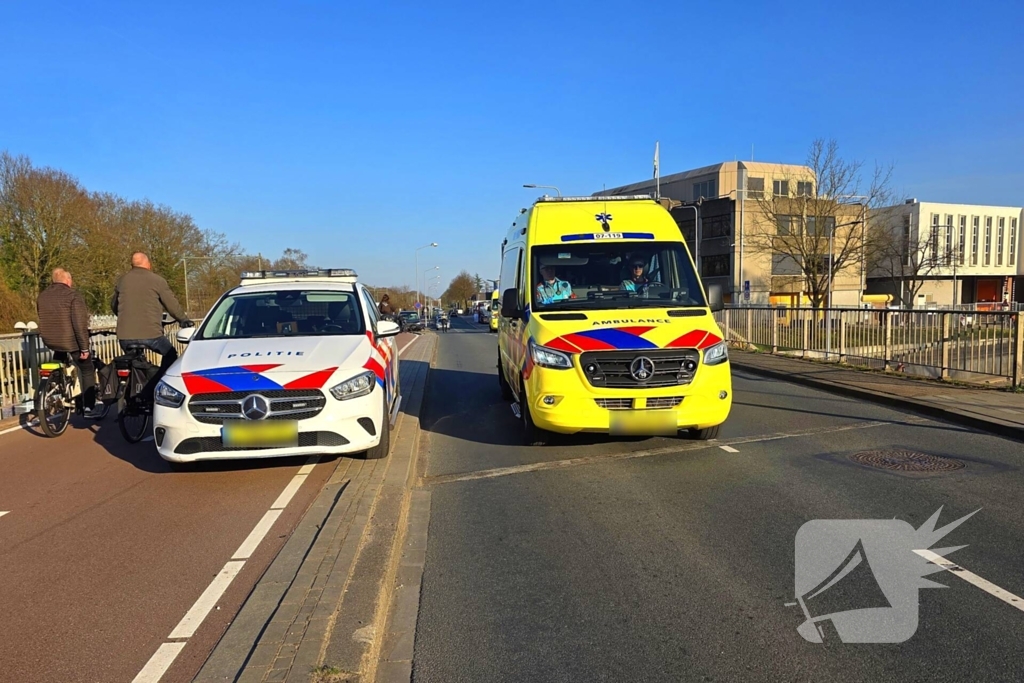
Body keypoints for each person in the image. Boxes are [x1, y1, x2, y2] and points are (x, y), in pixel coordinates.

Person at [111, 252, 191, 380]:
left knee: (133, 361)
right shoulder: (157, 280)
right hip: (151, 335)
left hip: (124, 336)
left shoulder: (122, 281)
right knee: (170, 354)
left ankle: (132, 387)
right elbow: (172, 305)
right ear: (147, 264)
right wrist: (183, 319)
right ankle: (159, 382)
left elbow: (114, 305)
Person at [36, 268, 103, 418]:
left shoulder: (42, 296)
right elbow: (79, 325)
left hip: (50, 340)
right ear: (67, 280)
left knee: (59, 356)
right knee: (86, 368)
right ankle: (89, 408)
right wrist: (84, 348)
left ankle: (55, 385)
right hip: (70, 341)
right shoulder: (73, 296)